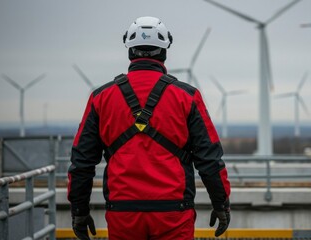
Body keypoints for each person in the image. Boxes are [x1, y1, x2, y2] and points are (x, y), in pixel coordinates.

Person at [67, 16, 231, 240]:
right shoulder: (188, 97)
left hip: (123, 212)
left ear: (129, 50)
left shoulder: (101, 97)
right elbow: (210, 158)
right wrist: (221, 203)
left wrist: (79, 210)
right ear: (164, 51)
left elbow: (81, 161)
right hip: (174, 212)